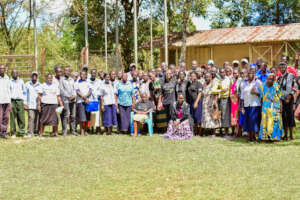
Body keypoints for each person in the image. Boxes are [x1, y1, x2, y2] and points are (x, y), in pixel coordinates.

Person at [258, 74, 283, 141]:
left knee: (275, 122)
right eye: (269, 79)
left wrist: (281, 107)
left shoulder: (276, 86)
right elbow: (261, 98)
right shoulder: (261, 86)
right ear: (266, 79)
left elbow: (280, 97)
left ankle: (275, 137)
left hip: (275, 106)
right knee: (265, 122)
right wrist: (261, 108)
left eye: (272, 79)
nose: (270, 80)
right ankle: (265, 137)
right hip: (265, 106)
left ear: (274, 80)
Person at [240, 68, 262, 142]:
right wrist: (242, 107)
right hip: (247, 105)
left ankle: (254, 137)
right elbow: (242, 97)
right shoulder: (244, 83)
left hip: (255, 105)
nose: (249, 75)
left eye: (251, 73)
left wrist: (256, 92)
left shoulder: (258, 82)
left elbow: (262, 94)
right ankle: (249, 137)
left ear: (254, 74)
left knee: (254, 121)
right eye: (248, 73)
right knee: (247, 121)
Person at [277, 62, 296, 140]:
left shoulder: (290, 75)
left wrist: (289, 96)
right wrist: (281, 98)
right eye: (280, 68)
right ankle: (285, 135)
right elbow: (278, 89)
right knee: (283, 117)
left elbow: (295, 87)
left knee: (290, 116)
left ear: (286, 67)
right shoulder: (279, 78)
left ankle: (291, 135)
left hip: (289, 98)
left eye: (283, 67)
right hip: (282, 100)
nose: (282, 69)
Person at [201, 72, 221, 137]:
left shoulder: (214, 84)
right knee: (206, 118)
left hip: (212, 102)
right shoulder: (204, 84)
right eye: (206, 77)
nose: (207, 78)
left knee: (213, 117)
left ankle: (214, 133)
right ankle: (208, 132)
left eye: (208, 77)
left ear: (211, 77)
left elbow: (216, 94)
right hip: (205, 103)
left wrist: (215, 101)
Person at [60, 66, 78, 136]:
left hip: (73, 100)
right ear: (64, 71)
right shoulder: (62, 80)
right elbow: (62, 90)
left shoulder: (71, 79)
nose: (67, 72)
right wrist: (68, 96)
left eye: (68, 71)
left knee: (73, 115)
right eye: (66, 71)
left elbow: (74, 88)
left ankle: (73, 130)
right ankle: (64, 131)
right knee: (66, 115)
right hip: (66, 100)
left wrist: (73, 95)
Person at [10, 69, 26, 137]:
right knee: (13, 117)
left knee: (21, 117)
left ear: (18, 74)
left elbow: (24, 92)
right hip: (12, 101)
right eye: (13, 73)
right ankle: (13, 133)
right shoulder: (9, 81)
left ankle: (22, 132)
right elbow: (8, 91)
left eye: (16, 73)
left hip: (20, 101)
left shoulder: (21, 81)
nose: (15, 74)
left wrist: (24, 101)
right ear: (11, 74)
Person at [25, 72, 41, 137]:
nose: (34, 77)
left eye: (35, 76)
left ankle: (36, 132)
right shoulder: (27, 84)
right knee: (31, 118)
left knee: (37, 118)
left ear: (37, 77)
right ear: (31, 76)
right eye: (33, 75)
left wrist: (40, 105)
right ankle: (29, 132)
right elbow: (25, 94)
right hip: (30, 105)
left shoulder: (40, 85)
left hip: (37, 105)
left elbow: (40, 95)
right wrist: (25, 103)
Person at [186, 71, 203, 136]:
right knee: (194, 118)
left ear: (196, 76)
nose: (192, 77)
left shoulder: (199, 84)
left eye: (194, 76)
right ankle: (195, 132)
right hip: (191, 103)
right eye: (191, 76)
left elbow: (200, 93)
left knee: (199, 118)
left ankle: (200, 133)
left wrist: (196, 102)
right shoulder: (190, 84)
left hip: (197, 102)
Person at [75, 71, 91, 136]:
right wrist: (84, 97)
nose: (83, 76)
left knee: (87, 117)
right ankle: (81, 131)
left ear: (86, 75)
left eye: (84, 74)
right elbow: (77, 91)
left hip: (87, 101)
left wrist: (86, 97)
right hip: (80, 102)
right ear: (80, 75)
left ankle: (86, 131)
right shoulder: (77, 83)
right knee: (82, 118)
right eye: (82, 74)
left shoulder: (88, 82)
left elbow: (90, 91)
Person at [219, 67, 232, 137]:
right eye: (221, 72)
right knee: (220, 115)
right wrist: (221, 90)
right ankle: (221, 131)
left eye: (223, 72)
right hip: (219, 99)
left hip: (226, 99)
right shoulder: (218, 80)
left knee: (226, 115)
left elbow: (231, 88)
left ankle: (226, 132)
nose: (222, 73)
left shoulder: (228, 79)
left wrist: (226, 89)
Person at [88, 69, 101, 134]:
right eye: (92, 73)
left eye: (94, 73)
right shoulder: (87, 81)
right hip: (89, 101)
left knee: (97, 115)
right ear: (90, 73)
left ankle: (97, 129)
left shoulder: (98, 81)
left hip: (96, 100)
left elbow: (100, 90)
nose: (93, 74)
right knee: (91, 115)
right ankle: (91, 128)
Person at [0, 65, 11, 139]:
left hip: (7, 100)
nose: (2, 70)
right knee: (0, 117)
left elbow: (9, 90)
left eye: (3, 69)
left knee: (6, 117)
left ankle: (4, 132)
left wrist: (10, 102)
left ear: (5, 69)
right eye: (1, 69)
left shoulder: (7, 78)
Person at [230, 69, 239, 137]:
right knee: (233, 116)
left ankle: (237, 132)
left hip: (237, 101)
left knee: (237, 116)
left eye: (236, 73)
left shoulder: (240, 81)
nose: (235, 74)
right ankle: (234, 132)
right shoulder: (233, 81)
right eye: (234, 73)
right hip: (233, 102)